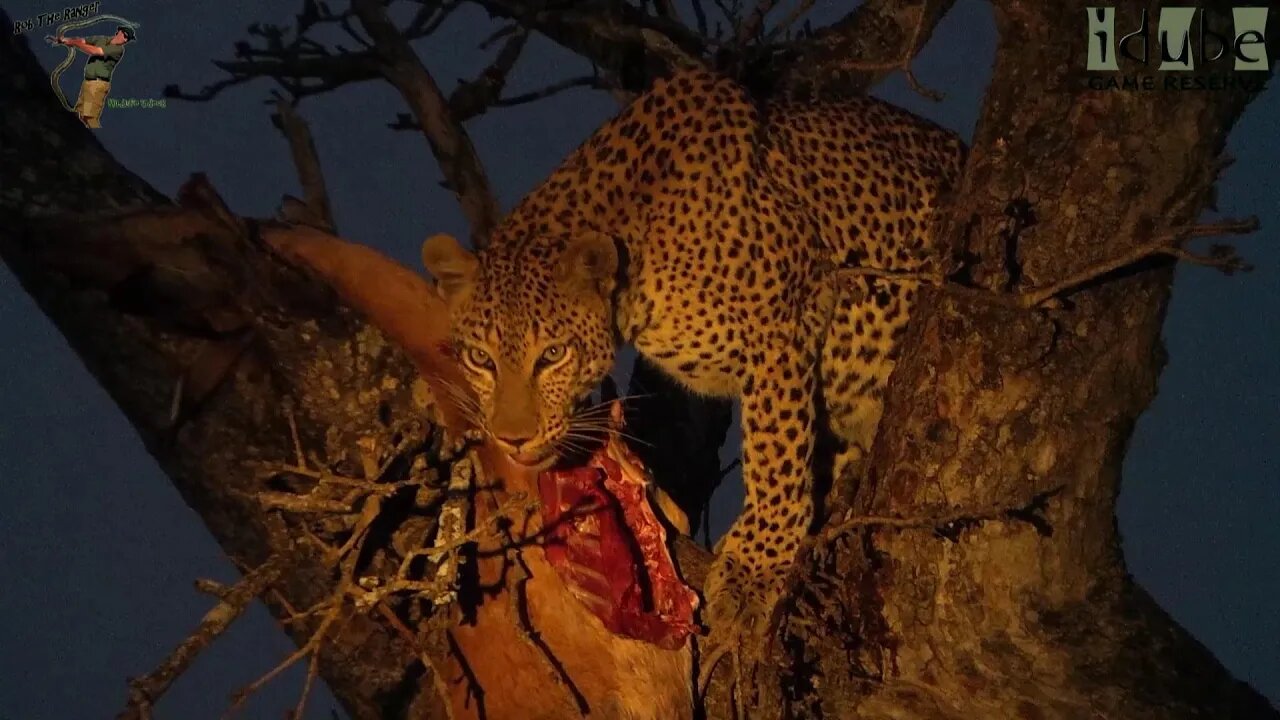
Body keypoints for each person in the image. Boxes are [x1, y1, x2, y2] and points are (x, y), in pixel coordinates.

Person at [49, 25, 135, 128]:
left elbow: (96, 51)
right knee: (79, 115)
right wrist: (65, 40)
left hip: (98, 84)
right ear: (119, 32)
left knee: (90, 118)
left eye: (128, 39)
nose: (125, 40)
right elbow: (83, 40)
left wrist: (75, 43)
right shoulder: (102, 39)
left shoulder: (118, 50)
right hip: (88, 82)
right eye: (125, 35)